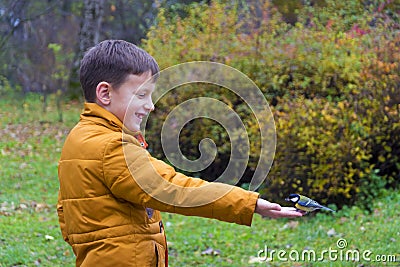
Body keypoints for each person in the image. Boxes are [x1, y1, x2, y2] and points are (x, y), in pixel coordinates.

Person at [57, 39, 303, 267]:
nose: (151, 105)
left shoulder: (79, 138)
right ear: (105, 93)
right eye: (141, 94)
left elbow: (66, 213)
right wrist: (248, 203)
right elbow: (173, 188)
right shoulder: (111, 147)